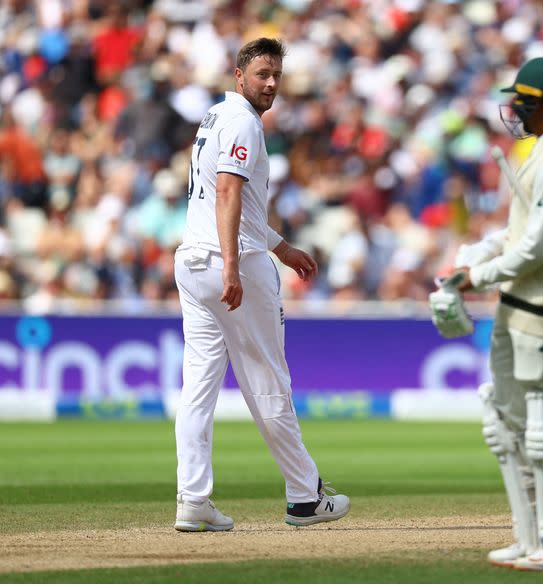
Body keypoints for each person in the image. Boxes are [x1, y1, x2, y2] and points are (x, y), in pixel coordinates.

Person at [172, 37, 350, 532]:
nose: (271, 84)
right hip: (234, 267)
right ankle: (304, 496)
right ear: (239, 76)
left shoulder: (214, 118)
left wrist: (282, 247)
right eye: (262, 74)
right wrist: (233, 265)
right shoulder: (243, 122)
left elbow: (226, 201)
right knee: (268, 380)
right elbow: (228, 191)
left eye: (276, 75)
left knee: (198, 387)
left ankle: (193, 500)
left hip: (193, 259)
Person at [449, 56, 543, 571]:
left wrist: (477, 277)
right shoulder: (539, 154)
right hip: (519, 302)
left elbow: (537, 246)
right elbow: (517, 234)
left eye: (522, 102)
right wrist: (481, 253)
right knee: (506, 419)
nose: (514, 110)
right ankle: (530, 535)